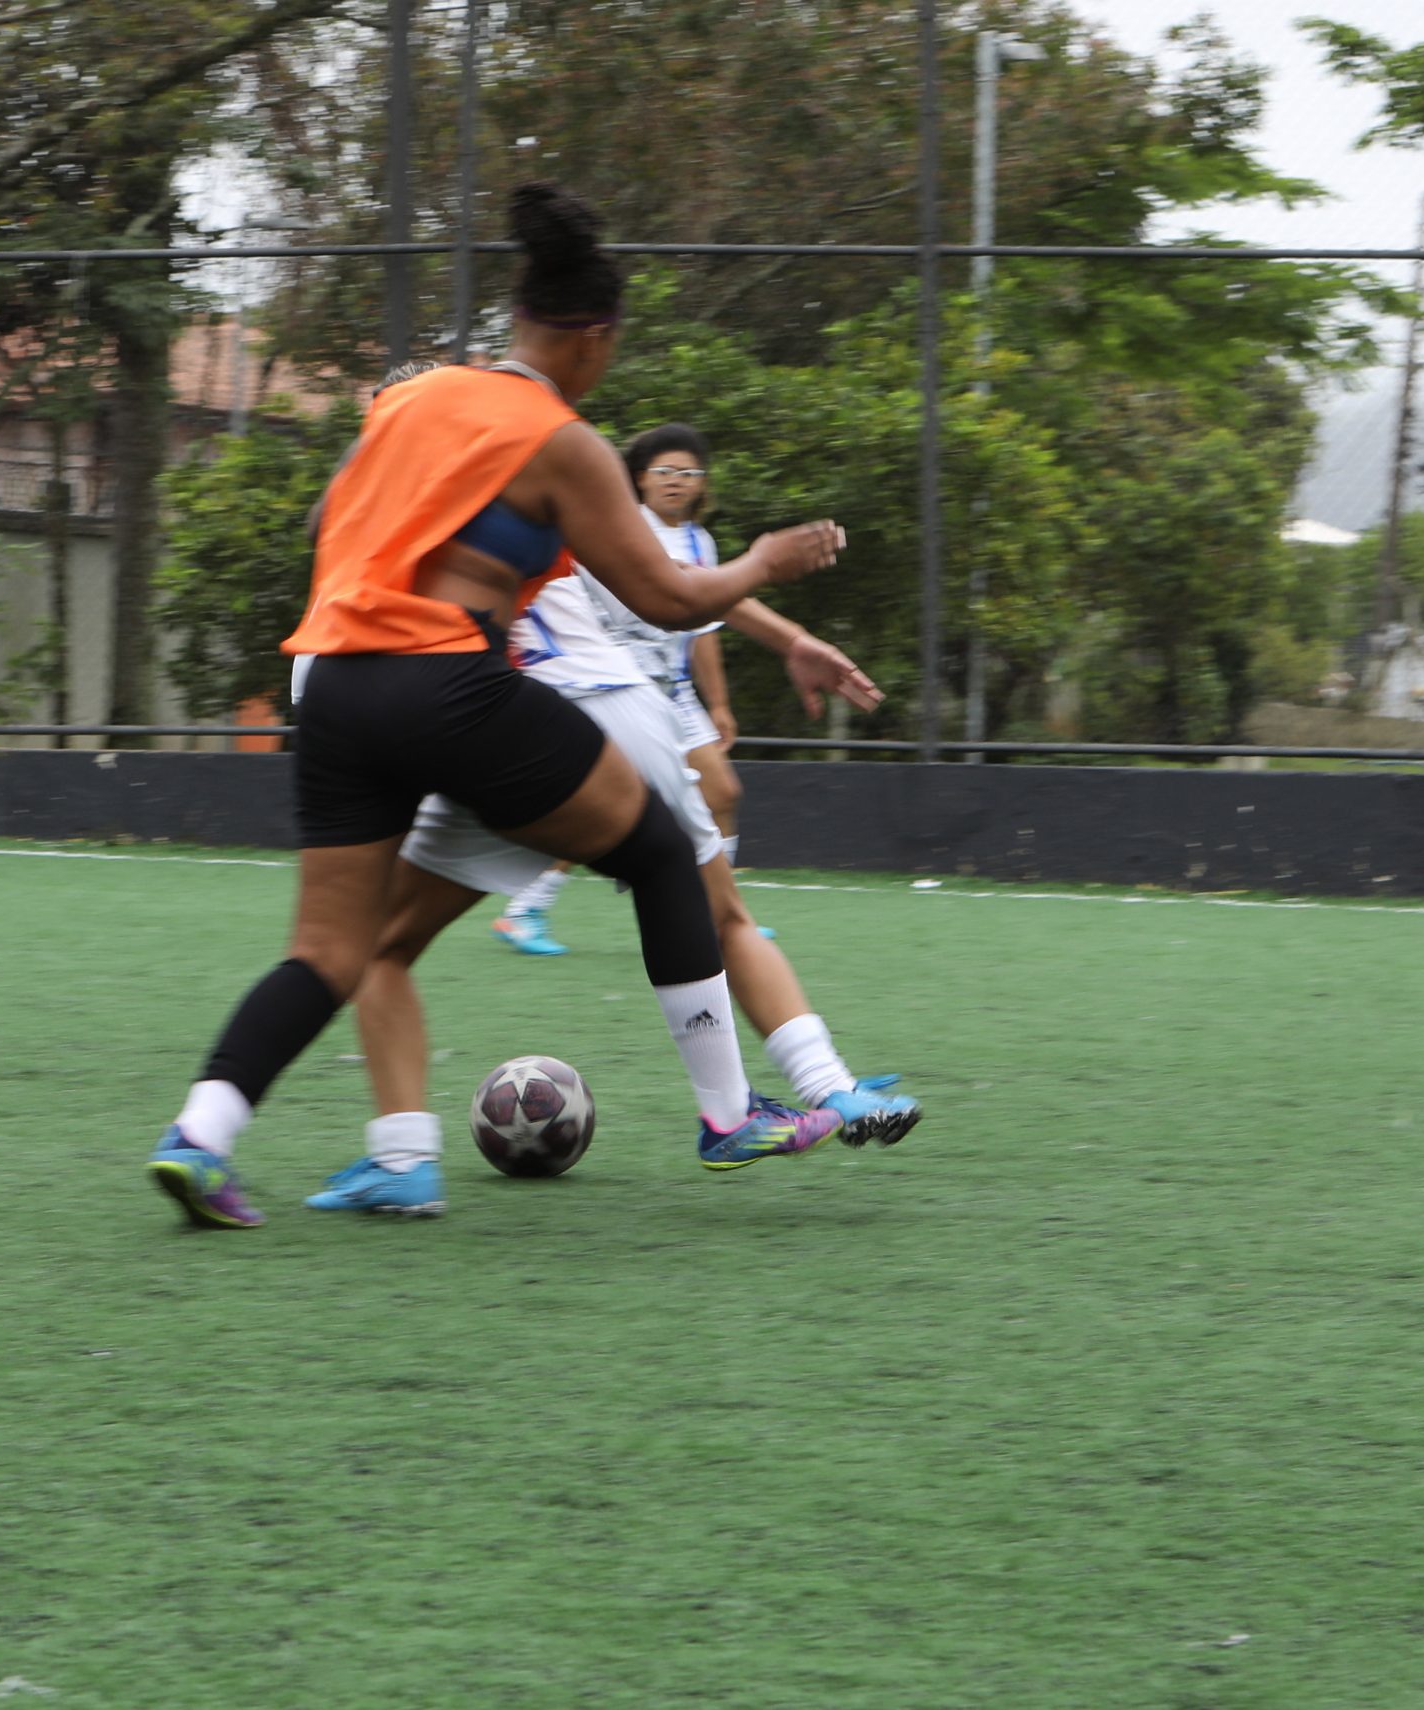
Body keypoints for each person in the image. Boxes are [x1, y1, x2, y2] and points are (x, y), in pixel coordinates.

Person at [144, 182, 859, 1230]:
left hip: (335, 683)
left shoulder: (410, 399)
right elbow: (665, 597)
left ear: (518, 321)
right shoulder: (559, 438)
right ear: (596, 337)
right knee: (662, 852)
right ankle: (726, 1115)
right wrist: (767, 561)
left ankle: (200, 1137)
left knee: (330, 951)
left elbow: (324, 520)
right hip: (447, 680)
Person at [304, 540, 923, 1214]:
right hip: (624, 710)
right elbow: (677, 583)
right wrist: (792, 636)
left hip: (505, 727)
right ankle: (827, 1091)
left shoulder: (376, 578)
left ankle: (402, 1159)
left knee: (382, 948)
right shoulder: (509, 507)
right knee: (724, 917)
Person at [492, 424, 745, 955]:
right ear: (640, 479)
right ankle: (525, 909)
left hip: (673, 690)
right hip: (615, 684)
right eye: (665, 472)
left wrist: (718, 702)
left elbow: (703, 629)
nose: (677, 482)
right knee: (599, 807)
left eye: (689, 473)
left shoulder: (702, 542)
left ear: (702, 485)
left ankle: (721, 913)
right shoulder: (621, 525)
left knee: (722, 792)